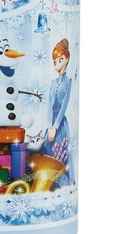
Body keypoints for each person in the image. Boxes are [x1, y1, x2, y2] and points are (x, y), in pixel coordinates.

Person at [45, 38, 73, 183]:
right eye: (55, 62)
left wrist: (55, 127)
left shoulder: (68, 82)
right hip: (51, 124)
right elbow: (49, 105)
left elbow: (64, 106)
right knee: (47, 152)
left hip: (60, 124)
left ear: (67, 59)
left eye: (60, 60)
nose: (57, 66)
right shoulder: (53, 82)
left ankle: (62, 183)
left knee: (61, 153)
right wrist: (49, 126)